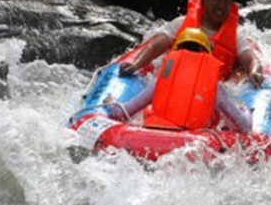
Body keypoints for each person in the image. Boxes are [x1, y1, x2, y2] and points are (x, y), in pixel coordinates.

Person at [119, 0, 265, 87]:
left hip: (212, 92)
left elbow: (252, 59)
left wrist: (254, 71)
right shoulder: (181, 23)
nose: (221, 5)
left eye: (226, 1)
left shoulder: (234, 37)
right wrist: (137, 64)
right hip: (177, 82)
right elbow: (156, 45)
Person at [107, 28, 253, 133]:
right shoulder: (214, 88)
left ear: (176, 53)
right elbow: (243, 126)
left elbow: (123, 113)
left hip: (153, 136)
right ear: (206, 55)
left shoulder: (160, 81)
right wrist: (246, 111)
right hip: (192, 144)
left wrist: (110, 101)